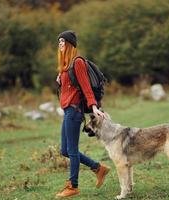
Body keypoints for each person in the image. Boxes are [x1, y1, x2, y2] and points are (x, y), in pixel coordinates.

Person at [55, 30, 109, 198]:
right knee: (65, 150)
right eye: (59, 42)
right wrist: (61, 80)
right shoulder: (66, 66)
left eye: (63, 41)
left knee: (72, 150)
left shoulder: (77, 62)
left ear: (70, 44)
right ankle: (98, 168)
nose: (60, 44)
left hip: (75, 111)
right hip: (67, 111)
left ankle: (73, 186)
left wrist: (93, 107)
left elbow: (86, 87)